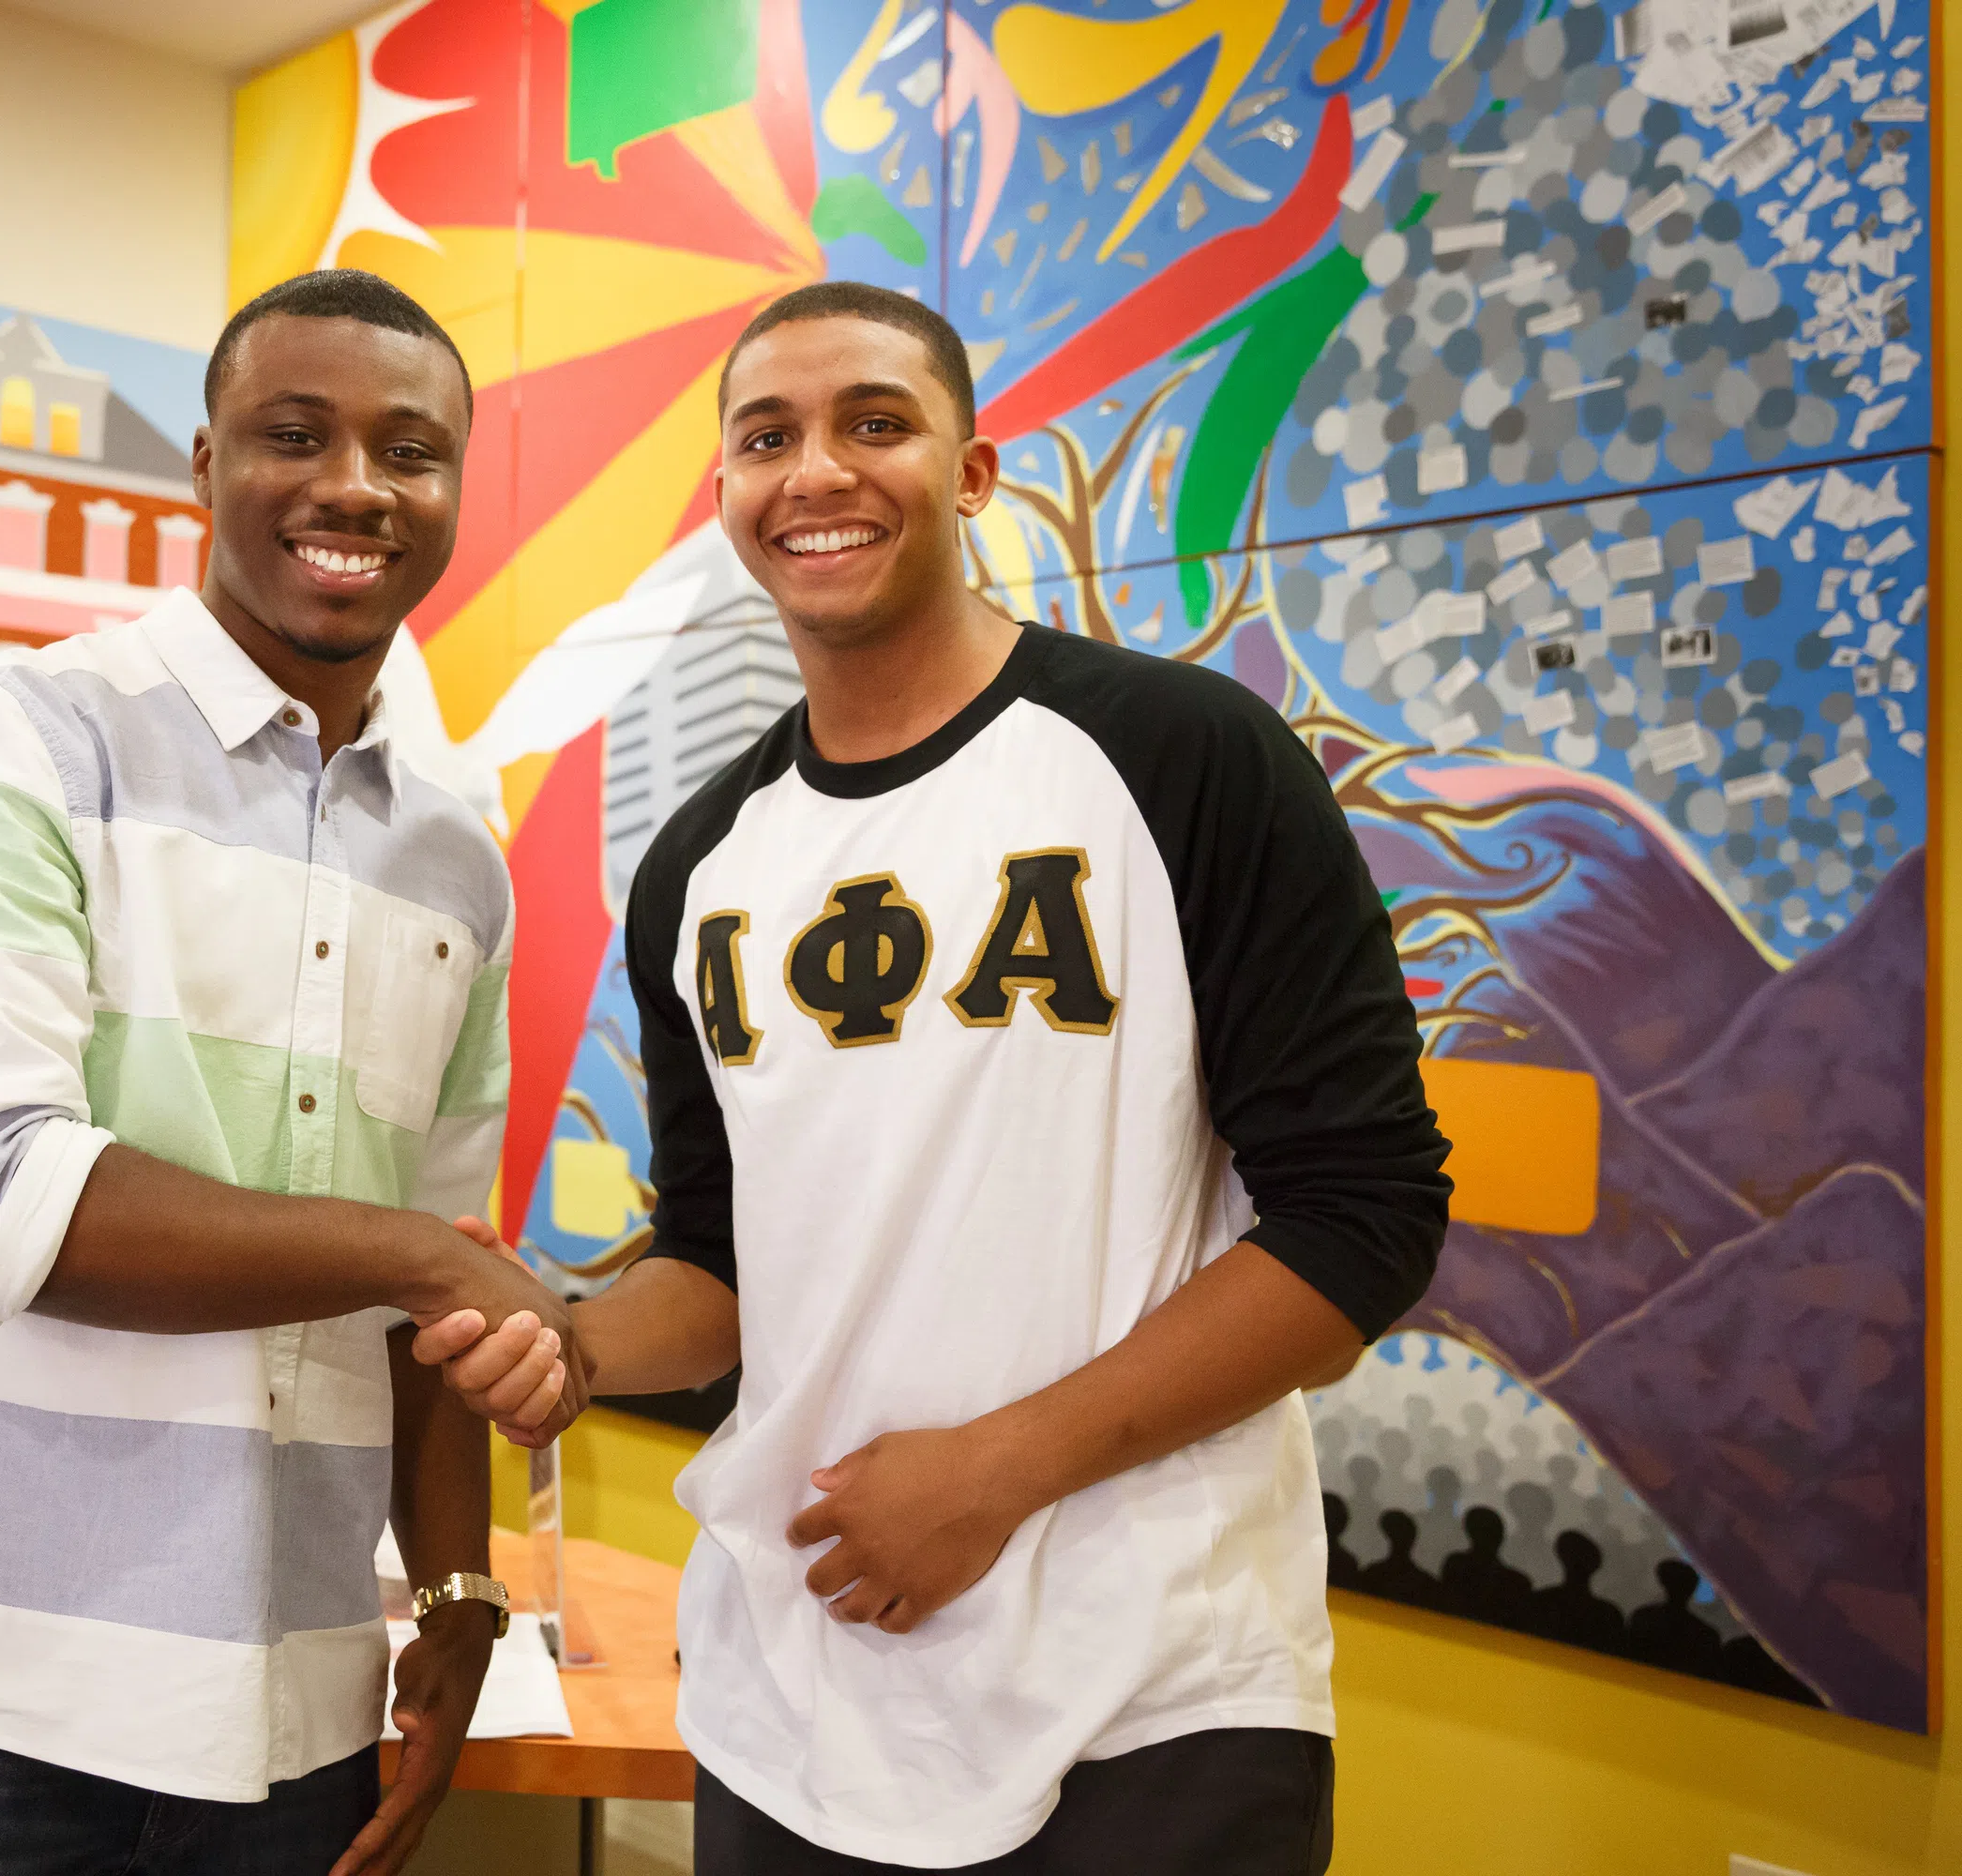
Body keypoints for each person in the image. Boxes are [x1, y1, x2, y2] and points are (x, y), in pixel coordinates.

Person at [418, 280, 1451, 1874]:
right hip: (794, 1698)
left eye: (874, 423)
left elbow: (1366, 1221)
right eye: (767, 438)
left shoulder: (1188, 759)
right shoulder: (698, 863)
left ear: (973, 475)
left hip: (1152, 1701)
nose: (815, 470)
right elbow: (719, 1261)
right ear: (729, 499)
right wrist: (569, 1341)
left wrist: (994, 1472)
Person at [0, 269, 583, 1876]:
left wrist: (459, 1599)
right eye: (296, 434)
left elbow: (445, 1313)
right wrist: (430, 1258)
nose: (355, 485)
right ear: (204, 466)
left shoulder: (460, 865)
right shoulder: (5, 740)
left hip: (299, 1708)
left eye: (410, 453)